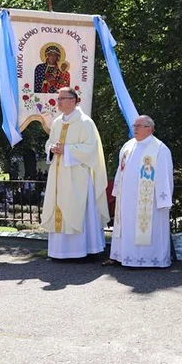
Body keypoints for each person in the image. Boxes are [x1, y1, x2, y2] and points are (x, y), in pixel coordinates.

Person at [42, 87, 110, 260]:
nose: (58, 102)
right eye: (58, 99)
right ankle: (59, 252)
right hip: (58, 175)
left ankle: (82, 251)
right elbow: (49, 143)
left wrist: (66, 150)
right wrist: (52, 149)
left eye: (62, 99)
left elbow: (91, 149)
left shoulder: (85, 122)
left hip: (77, 176)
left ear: (73, 100)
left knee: (78, 208)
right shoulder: (57, 122)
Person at [108, 115, 174, 268]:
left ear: (149, 129)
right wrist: (117, 189)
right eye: (134, 126)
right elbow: (121, 170)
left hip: (149, 202)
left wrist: (164, 198)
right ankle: (124, 256)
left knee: (145, 228)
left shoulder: (159, 149)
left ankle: (149, 260)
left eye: (139, 126)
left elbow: (164, 175)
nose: (135, 129)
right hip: (127, 199)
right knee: (127, 227)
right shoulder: (128, 146)